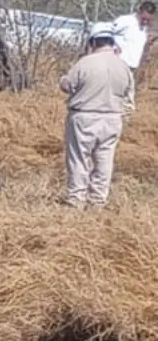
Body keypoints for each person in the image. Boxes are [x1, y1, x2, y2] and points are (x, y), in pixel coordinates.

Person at [59, 21, 134, 211]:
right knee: (104, 160)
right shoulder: (123, 67)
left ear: (93, 41)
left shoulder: (84, 62)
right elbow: (129, 99)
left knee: (79, 159)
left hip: (84, 118)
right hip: (113, 119)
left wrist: (62, 80)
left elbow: (68, 85)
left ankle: (76, 200)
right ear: (112, 41)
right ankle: (98, 202)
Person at [109, 0, 155, 111]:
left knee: (125, 100)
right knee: (125, 101)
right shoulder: (126, 21)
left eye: (148, 20)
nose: (145, 21)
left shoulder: (143, 28)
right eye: (143, 18)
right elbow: (107, 31)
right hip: (118, 65)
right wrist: (114, 47)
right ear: (139, 11)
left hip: (131, 68)